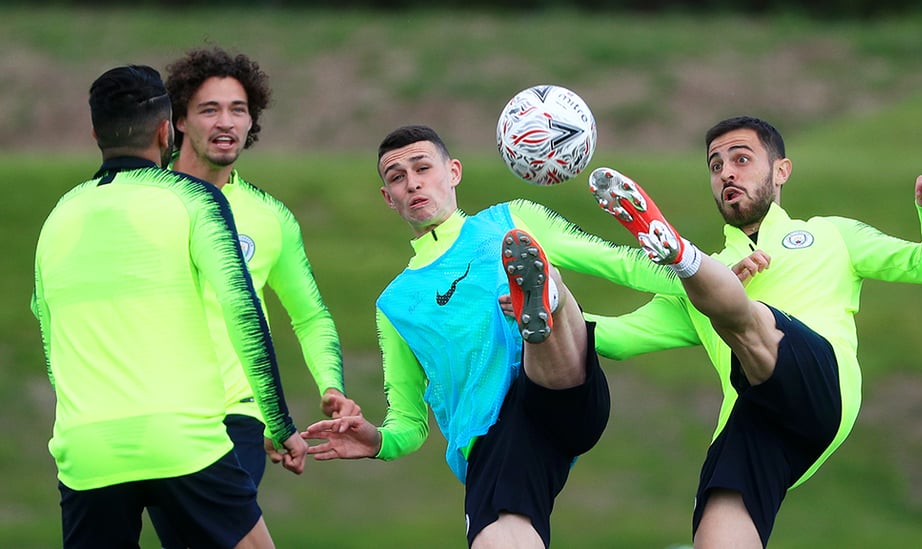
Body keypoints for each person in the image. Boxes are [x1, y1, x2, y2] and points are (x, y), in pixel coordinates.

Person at [586, 115, 922, 548]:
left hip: (821, 379)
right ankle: (695, 273)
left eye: (741, 158)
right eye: (716, 165)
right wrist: (550, 319)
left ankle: (687, 261)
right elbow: (616, 340)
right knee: (717, 522)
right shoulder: (699, 288)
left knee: (747, 311)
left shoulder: (831, 234)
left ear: (781, 171)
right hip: (756, 419)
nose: (726, 171)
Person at [30, 65, 307, 549]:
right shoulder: (192, 199)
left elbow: (51, 342)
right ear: (166, 130)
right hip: (181, 442)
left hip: (88, 449)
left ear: (96, 133)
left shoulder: (58, 215)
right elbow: (244, 316)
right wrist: (280, 424)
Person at [301, 124, 612, 548]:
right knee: (498, 537)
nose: (412, 183)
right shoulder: (395, 304)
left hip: (561, 386)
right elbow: (408, 422)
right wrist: (377, 441)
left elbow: (618, 264)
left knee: (538, 275)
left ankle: (543, 299)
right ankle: (541, 301)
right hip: (499, 439)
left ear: (454, 172)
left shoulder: (506, 222)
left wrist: (693, 271)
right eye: (396, 177)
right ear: (387, 198)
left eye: (422, 167)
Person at [146, 45, 359, 548]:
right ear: (178, 120)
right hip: (155, 414)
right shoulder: (144, 202)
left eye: (238, 110)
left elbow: (309, 316)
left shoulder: (271, 217)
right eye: (210, 109)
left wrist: (331, 385)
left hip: (235, 417)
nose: (227, 122)